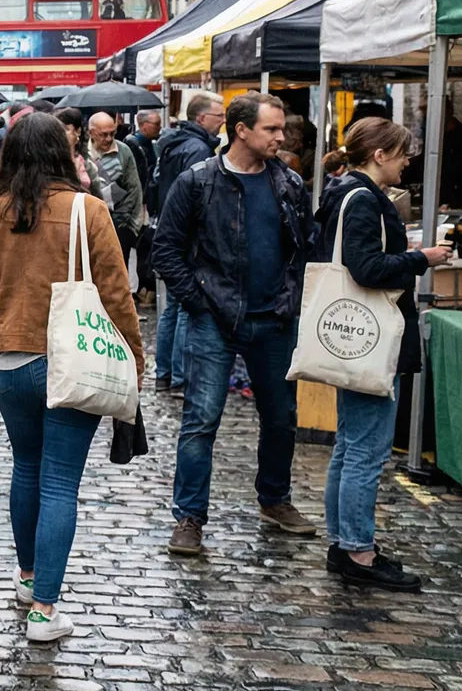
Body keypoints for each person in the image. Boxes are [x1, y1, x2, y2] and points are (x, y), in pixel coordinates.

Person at [0, 113, 143, 643]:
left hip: (10, 360)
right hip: (71, 357)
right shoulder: (86, 212)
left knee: (26, 468)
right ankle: (45, 610)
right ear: (62, 155)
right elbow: (116, 294)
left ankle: (27, 580)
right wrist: (134, 359)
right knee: (60, 481)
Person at [154, 92, 318, 556]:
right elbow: (166, 250)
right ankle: (189, 517)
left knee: (282, 418)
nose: (281, 137)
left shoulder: (287, 182)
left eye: (281, 129)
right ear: (241, 130)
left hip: (274, 319)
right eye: (271, 129)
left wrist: (292, 297)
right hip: (215, 319)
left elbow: (301, 246)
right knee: (201, 420)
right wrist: (199, 302)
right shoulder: (198, 181)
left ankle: (275, 500)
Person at [313, 118, 451, 592]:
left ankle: (345, 542)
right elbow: (368, 267)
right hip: (368, 338)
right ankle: (358, 550)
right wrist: (420, 259)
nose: (407, 160)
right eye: (402, 152)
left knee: (352, 446)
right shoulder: (363, 199)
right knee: (365, 450)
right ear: (379, 155)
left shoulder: (345, 192)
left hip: (355, 336)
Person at [152, 92, 225, 394]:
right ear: (201, 118)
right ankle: (180, 376)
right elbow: (199, 197)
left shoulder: (175, 143)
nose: (223, 122)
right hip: (186, 237)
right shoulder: (197, 149)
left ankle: (164, 372)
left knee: (172, 309)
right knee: (184, 307)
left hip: (173, 231)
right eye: (219, 116)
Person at [87, 112, 143, 255]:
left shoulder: (123, 151)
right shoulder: (82, 153)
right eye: (103, 135)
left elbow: (134, 188)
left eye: (112, 133)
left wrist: (127, 225)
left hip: (118, 223)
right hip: (89, 223)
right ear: (91, 133)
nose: (109, 139)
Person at [125, 110, 163, 298]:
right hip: (139, 202)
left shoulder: (150, 144)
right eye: (156, 124)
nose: (159, 128)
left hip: (146, 200)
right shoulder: (133, 145)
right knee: (139, 246)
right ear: (144, 124)